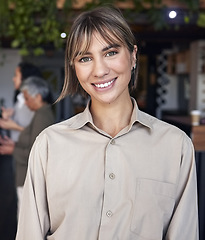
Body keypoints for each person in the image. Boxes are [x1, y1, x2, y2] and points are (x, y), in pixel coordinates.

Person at [15, 6, 198, 240]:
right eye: (85, 58)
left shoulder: (176, 146)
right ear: (74, 67)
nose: (100, 70)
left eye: (110, 52)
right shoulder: (49, 144)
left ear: (133, 56)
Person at [0, 76, 55, 214]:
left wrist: (13, 150)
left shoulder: (43, 115)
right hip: (25, 177)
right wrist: (15, 144)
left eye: (27, 98)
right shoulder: (41, 114)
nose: (25, 102)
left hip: (28, 179)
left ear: (37, 96)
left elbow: (38, 152)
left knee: (26, 219)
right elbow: (33, 140)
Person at [0, 62, 42, 142]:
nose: (13, 79)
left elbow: (37, 133)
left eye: (16, 75)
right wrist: (9, 116)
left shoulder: (34, 102)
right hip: (18, 149)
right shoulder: (20, 99)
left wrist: (14, 126)